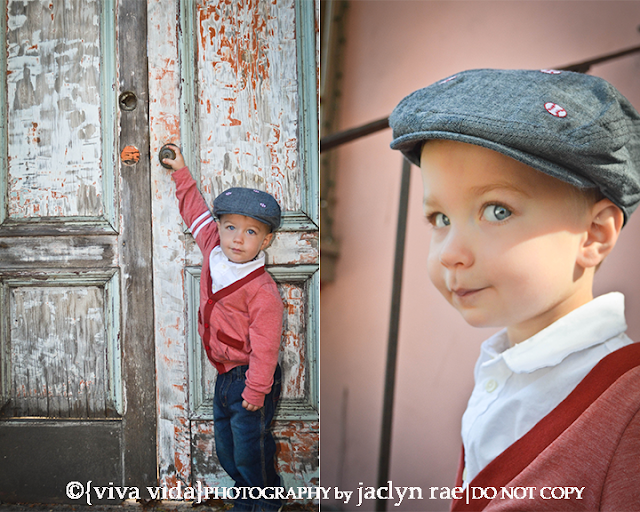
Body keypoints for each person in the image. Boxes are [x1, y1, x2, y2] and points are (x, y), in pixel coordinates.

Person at [389, 69, 640, 510]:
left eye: (497, 210)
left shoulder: (629, 409)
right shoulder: (502, 370)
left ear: (594, 235)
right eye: (440, 219)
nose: (450, 253)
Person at [162, 145, 284, 512]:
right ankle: (247, 494)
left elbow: (266, 344)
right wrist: (181, 172)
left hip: (251, 376)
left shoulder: (262, 290)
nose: (236, 237)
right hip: (225, 376)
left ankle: (263, 503)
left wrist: (257, 387)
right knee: (228, 447)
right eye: (230, 226)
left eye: (250, 232)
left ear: (265, 241)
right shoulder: (214, 250)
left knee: (250, 448)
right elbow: (195, 212)